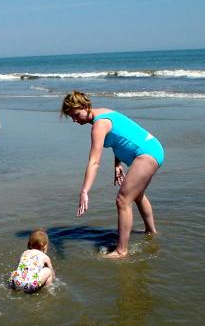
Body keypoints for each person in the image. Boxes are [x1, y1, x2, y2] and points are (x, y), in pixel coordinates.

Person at [61, 91, 164, 258]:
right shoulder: (104, 112)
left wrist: (85, 191)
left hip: (147, 154)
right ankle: (151, 231)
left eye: (76, 114)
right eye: (71, 117)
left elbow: (94, 162)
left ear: (86, 107)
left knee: (123, 200)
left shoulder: (99, 125)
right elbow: (121, 137)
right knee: (136, 195)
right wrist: (117, 163)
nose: (75, 120)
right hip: (153, 148)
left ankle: (121, 251)